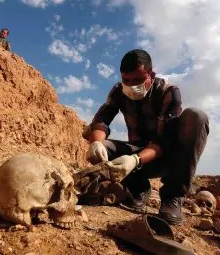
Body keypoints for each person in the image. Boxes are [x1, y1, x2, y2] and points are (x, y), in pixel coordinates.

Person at [83, 49, 209, 225]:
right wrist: (96, 144)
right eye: (126, 80)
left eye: (137, 80)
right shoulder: (119, 91)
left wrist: (135, 160)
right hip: (138, 156)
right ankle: (138, 188)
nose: (131, 85)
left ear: (151, 74)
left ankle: (173, 197)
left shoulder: (168, 92)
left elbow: (164, 140)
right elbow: (102, 119)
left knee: (196, 116)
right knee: (104, 148)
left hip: (167, 157)